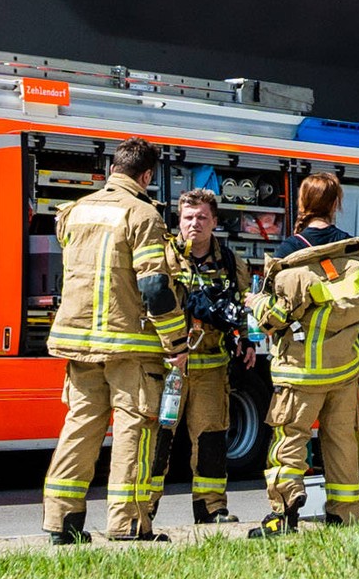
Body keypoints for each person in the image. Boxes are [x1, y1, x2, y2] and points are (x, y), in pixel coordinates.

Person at [43, 138, 185, 545]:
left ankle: (61, 522)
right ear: (146, 176)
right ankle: (129, 525)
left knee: (80, 427)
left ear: (112, 169)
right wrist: (176, 343)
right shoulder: (142, 215)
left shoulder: (74, 212)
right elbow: (155, 286)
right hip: (129, 347)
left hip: (78, 341)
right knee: (133, 431)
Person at [250, 170, 359, 534]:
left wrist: (255, 302)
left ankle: (284, 510)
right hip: (344, 373)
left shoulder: (289, 254)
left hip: (299, 374)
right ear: (336, 203)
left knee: (289, 439)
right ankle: (346, 515)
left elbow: (275, 319)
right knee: (342, 443)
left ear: (303, 204)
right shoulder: (356, 254)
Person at [168, 188, 251, 526]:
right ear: (179, 220)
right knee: (156, 442)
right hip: (170, 367)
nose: (194, 224)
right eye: (188, 218)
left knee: (212, 439)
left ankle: (211, 509)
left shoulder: (230, 262)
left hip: (211, 366)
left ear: (214, 221)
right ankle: (142, 514)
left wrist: (246, 340)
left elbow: (244, 305)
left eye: (202, 217)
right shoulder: (162, 257)